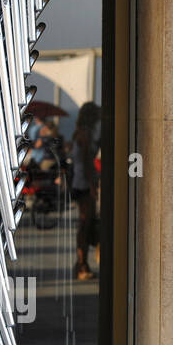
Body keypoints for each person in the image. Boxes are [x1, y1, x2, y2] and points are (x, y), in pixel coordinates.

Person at [70, 102, 102, 280]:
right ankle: (82, 265)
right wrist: (92, 186)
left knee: (83, 225)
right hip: (83, 184)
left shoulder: (78, 132)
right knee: (85, 224)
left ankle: (80, 264)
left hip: (78, 183)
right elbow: (88, 162)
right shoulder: (86, 134)